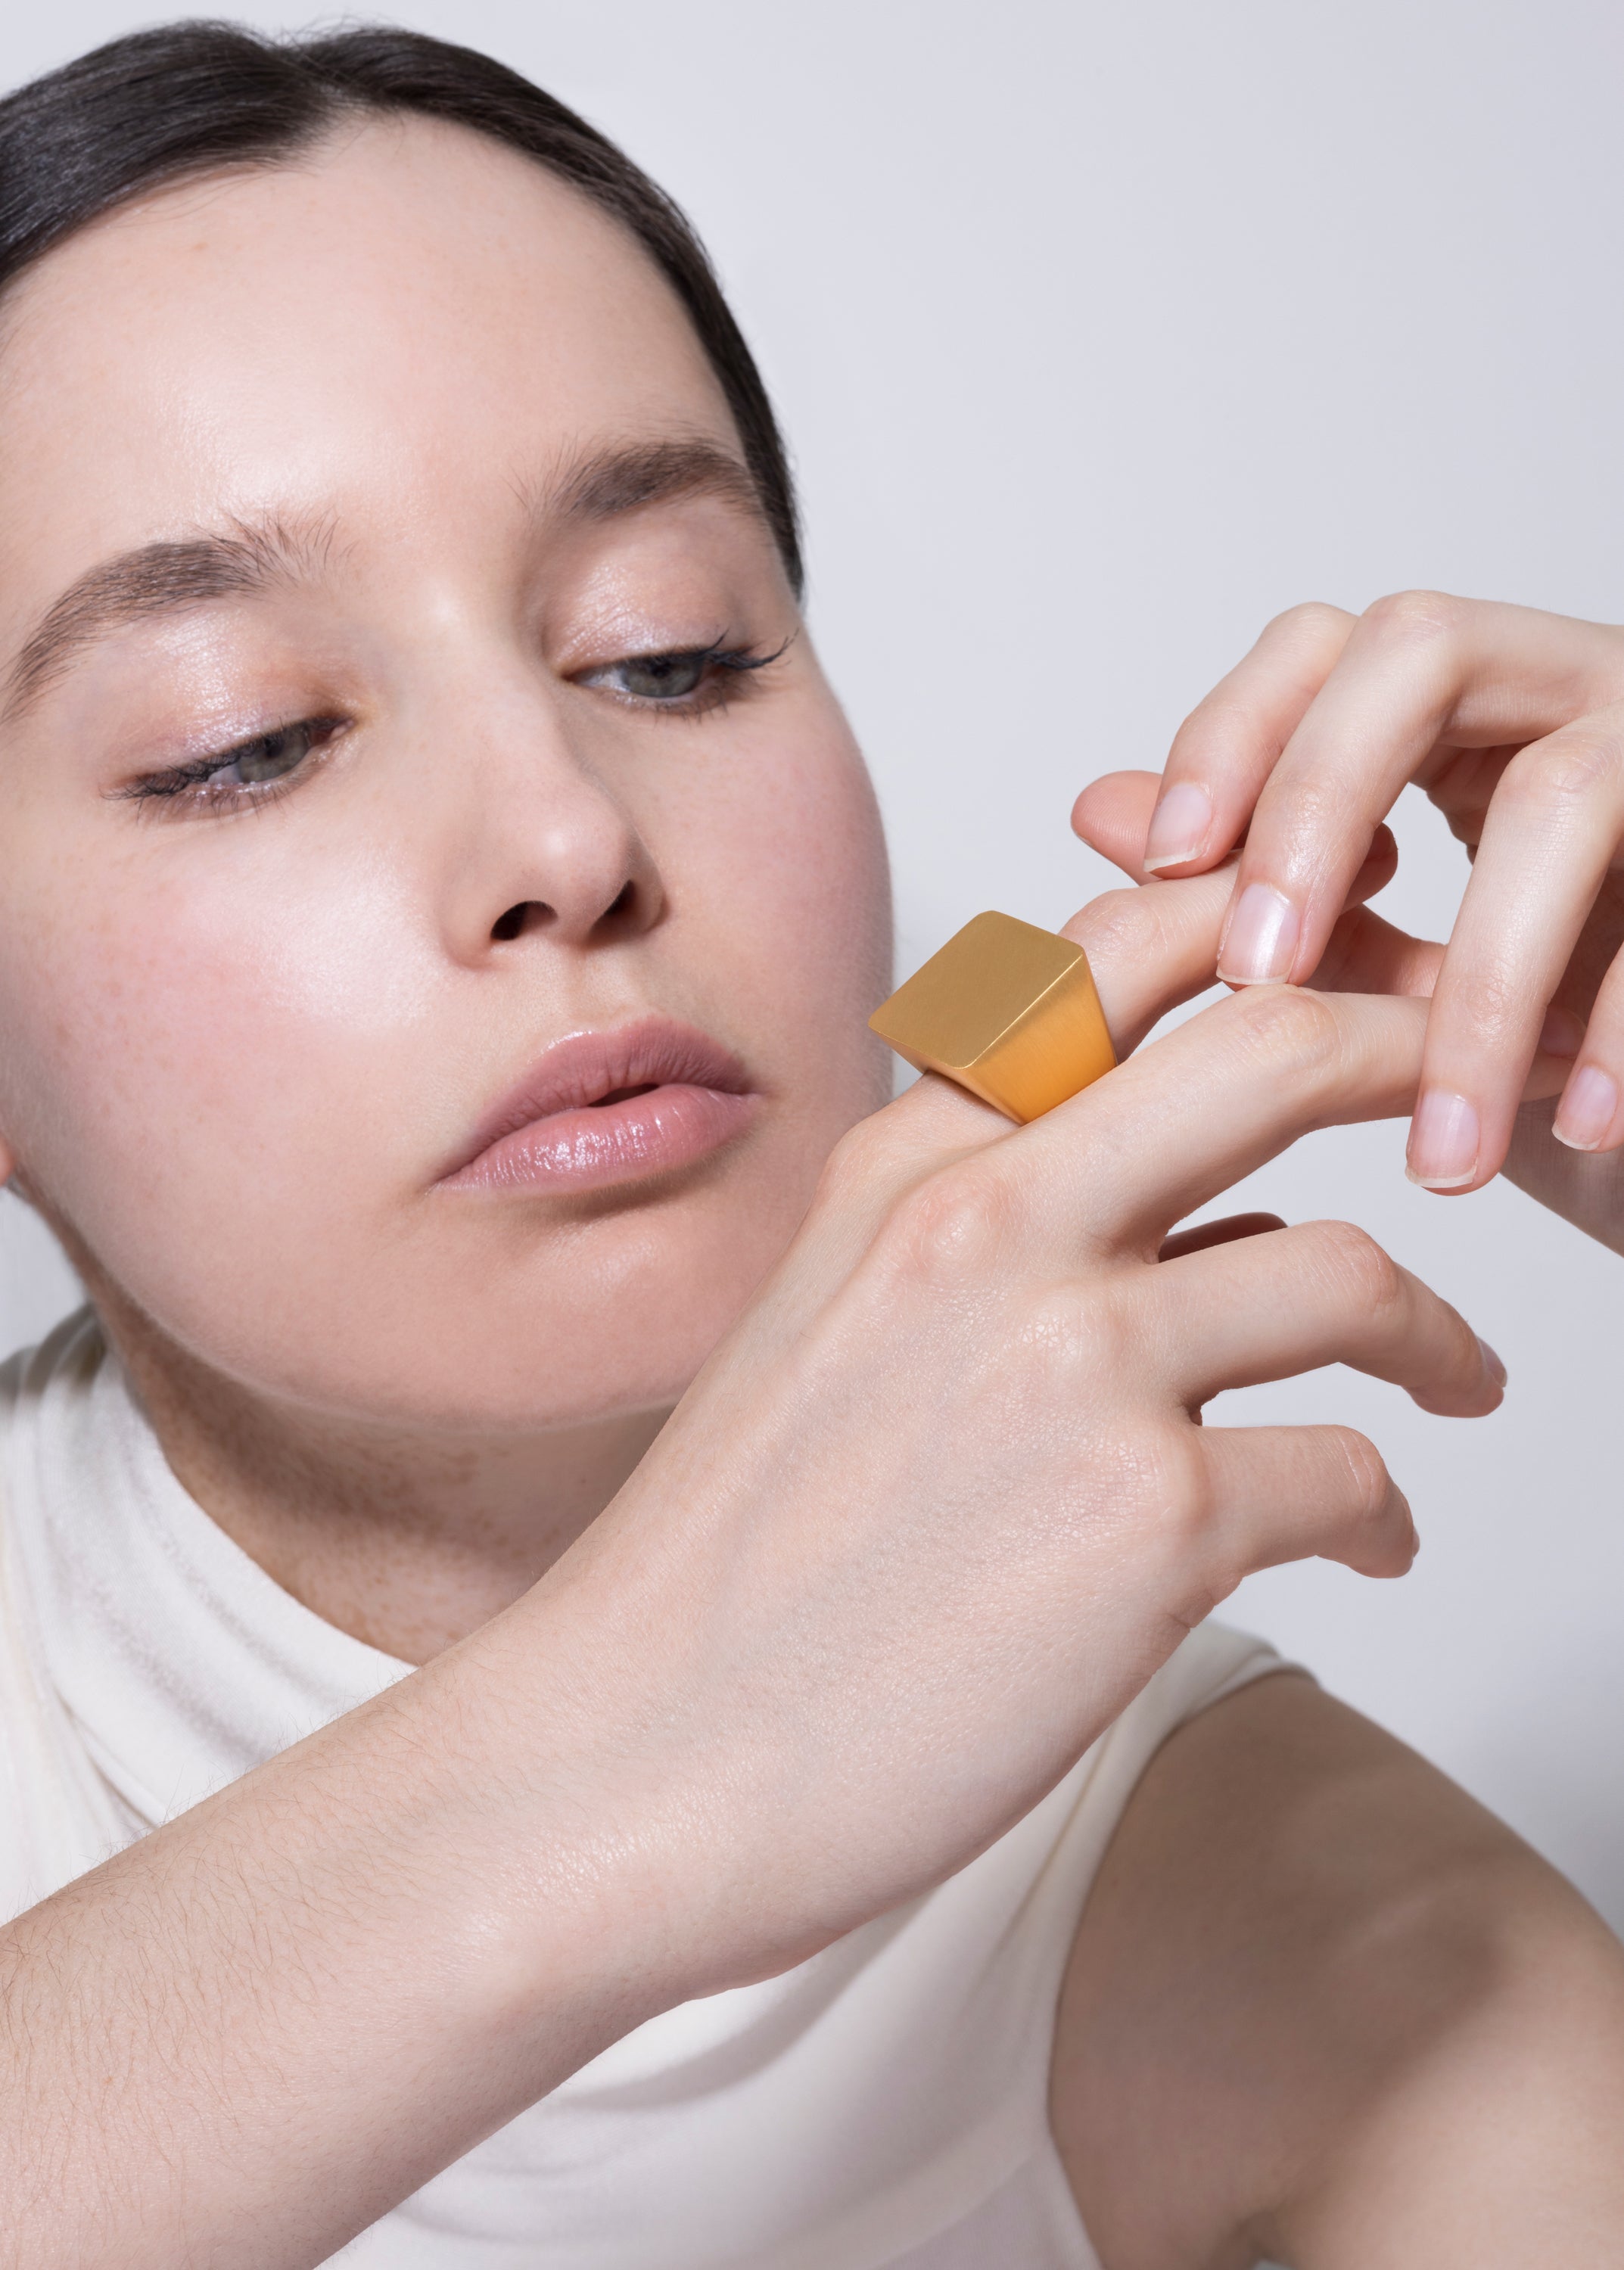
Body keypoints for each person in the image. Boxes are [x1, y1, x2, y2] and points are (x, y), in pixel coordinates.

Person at [0, 23, 1620, 2269]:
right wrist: (615, 1777)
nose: (568, 838)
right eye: (242, 742)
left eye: (668, 655)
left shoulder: (1322, 1944)